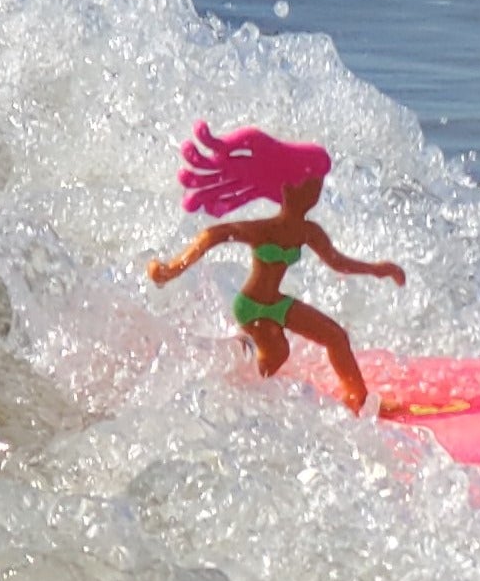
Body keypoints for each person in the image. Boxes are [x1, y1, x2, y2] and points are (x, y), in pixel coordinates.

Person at [147, 122, 408, 411]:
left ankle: (357, 398)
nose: (315, 193)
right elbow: (215, 235)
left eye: (318, 186)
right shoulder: (264, 230)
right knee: (279, 352)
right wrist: (173, 268)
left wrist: (378, 269)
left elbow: (339, 263)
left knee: (332, 338)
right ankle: (231, 391)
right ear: (289, 188)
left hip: (276, 304)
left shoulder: (308, 232)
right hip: (250, 305)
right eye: (310, 185)